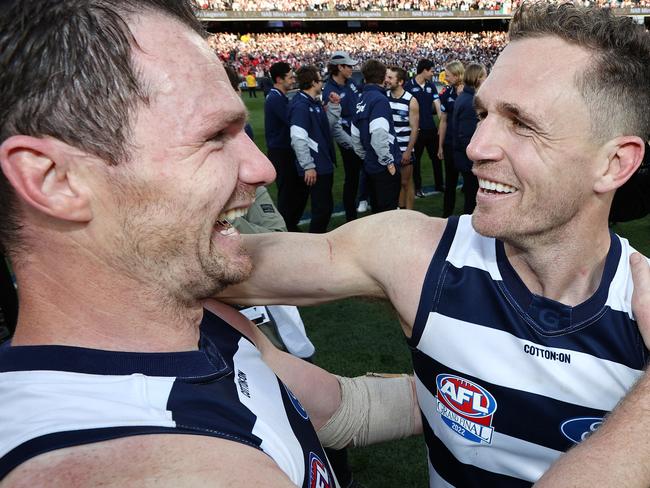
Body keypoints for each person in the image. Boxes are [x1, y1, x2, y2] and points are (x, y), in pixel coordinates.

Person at [222, 3, 650, 486]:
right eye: (485, 112)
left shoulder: (639, 309)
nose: (476, 146)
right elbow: (215, 268)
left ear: (615, 163)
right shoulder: (420, 253)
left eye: (523, 124)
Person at [0, 1, 421, 485]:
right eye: (214, 136)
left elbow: (342, 410)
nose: (262, 169)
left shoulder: (200, 316)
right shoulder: (119, 464)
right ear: (55, 181)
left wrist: (505, 392)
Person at [288, 65, 335, 233]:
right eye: (320, 80)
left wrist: (334, 108)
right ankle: (316, 245)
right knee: (321, 210)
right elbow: (298, 138)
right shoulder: (301, 105)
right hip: (316, 165)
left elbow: (324, 128)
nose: (322, 83)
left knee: (324, 208)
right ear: (314, 82)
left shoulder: (312, 103)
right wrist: (308, 166)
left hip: (322, 162)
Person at [350, 60, 402, 214]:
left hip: (371, 164)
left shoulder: (361, 98)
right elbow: (378, 135)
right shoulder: (379, 99)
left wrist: (366, 156)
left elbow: (355, 135)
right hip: (382, 167)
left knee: (377, 213)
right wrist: (388, 162)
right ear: (383, 77)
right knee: (387, 214)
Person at [323, 51, 363, 222]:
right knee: (352, 175)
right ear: (339, 67)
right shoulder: (329, 91)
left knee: (366, 170)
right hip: (347, 137)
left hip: (359, 132)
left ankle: (362, 200)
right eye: (349, 66)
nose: (352, 69)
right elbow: (333, 123)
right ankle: (351, 216)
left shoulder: (352, 82)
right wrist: (349, 142)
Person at [264, 62, 300, 229]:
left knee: (292, 191)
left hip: (283, 150)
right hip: (281, 152)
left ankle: (290, 224)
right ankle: (286, 228)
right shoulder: (275, 98)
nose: (293, 80)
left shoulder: (277, 96)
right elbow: (291, 119)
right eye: (290, 77)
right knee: (287, 193)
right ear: (279, 79)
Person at [404, 58, 443, 197]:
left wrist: (441, 123)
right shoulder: (408, 86)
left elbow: (437, 104)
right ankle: (418, 188)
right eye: (432, 71)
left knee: (437, 159)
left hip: (431, 129)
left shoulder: (431, 86)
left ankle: (440, 185)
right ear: (424, 70)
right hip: (416, 131)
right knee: (416, 162)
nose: (433, 73)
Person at [452, 63, 487, 214]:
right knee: (472, 200)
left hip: (465, 157)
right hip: (468, 159)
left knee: (472, 196)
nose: (487, 79)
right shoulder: (469, 101)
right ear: (477, 78)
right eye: (485, 76)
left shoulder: (466, 97)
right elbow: (466, 136)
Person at [385, 66, 419, 210]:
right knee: (393, 184)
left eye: (390, 78)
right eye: (386, 77)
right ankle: (400, 211)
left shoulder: (411, 100)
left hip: (404, 148)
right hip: (388, 149)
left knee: (406, 182)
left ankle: (409, 214)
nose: (386, 80)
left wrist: (407, 151)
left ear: (400, 82)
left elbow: (414, 129)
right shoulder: (384, 97)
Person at [437, 60, 465, 217]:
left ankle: (471, 215)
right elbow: (443, 120)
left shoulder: (472, 92)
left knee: (471, 182)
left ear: (457, 74)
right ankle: (446, 216)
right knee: (450, 182)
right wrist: (440, 146)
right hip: (449, 144)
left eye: (447, 76)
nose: (445, 78)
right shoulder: (447, 93)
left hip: (466, 144)